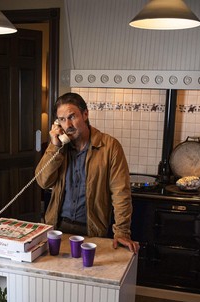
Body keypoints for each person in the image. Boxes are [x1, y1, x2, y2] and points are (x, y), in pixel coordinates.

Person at [35, 92, 139, 253]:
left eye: (72, 117)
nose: (67, 124)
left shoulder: (110, 147)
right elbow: (43, 181)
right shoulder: (59, 147)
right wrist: (55, 147)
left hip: (92, 231)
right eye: (62, 119)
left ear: (85, 114)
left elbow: (121, 194)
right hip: (58, 228)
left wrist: (122, 232)